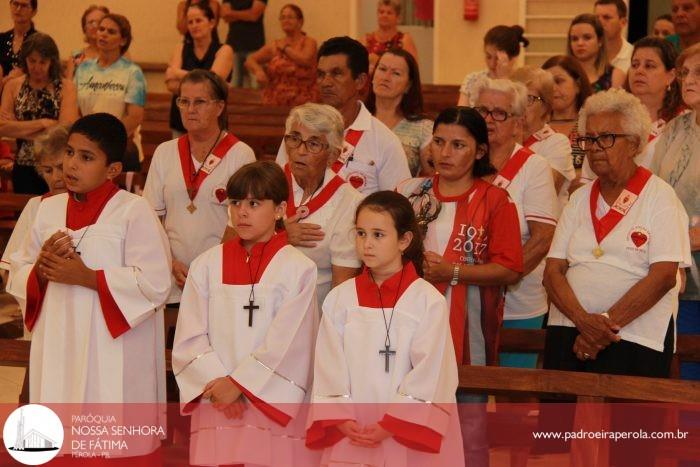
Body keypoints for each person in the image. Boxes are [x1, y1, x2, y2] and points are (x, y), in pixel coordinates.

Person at [7, 113, 171, 461]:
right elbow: (18, 271)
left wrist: (87, 277)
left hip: (111, 345)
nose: (71, 165)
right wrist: (40, 271)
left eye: (86, 157)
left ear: (112, 169)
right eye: (69, 153)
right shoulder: (46, 210)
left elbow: (155, 284)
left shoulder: (133, 212)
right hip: (59, 339)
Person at [542, 88, 690, 467]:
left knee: (630, 451)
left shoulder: (661, 197)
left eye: (606, 138)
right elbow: (553, 270)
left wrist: (601, 328)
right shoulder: (578, 199)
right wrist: (583, 324)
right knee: (561, 447)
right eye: (589, 138)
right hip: (570, 333)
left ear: (636, 142)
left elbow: (662, 276)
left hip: (634, 338)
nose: (594, 147)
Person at [396, 107, 523, 465]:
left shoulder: (496, 200)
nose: (445, 153)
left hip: (468, 335)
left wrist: (454, 272)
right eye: (438, 142)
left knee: (470, 434)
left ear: (480, 151)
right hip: (407, 329)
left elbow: (511, 268)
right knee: (408, 427)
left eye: (458, 145)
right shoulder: (408, 193)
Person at [173, 161, 319, 467]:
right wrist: (219, 385)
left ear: (280, 210)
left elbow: (291, 344)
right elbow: (190, 335)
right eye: (236, 202)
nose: (242, 212)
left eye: (254, 203)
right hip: (217, 400)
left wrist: (239, 386)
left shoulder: (298, 269)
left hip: (267, 406)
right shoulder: (207, 264)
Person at [307, 190, 464, 467]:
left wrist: (392, 424)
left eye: (378, 235)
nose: (367, 244)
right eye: (361, 233)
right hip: (352, 428)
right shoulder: (340, 298)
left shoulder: (427, 301)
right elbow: (328, 366)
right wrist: (341, 418)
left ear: (404, 240)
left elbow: (433, 372)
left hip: (404, 433)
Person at [144, 70, 255, 305]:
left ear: (219, 107)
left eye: (199, 102)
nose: (190, 109)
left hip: (220, 276)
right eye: (184, 101)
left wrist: (210, 267)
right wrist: (170, 262)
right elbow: (151, 217)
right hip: (172, 275)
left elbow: (241, 219)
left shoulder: (240, 154)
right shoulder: (165, 152)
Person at [473, 77, 559, 369]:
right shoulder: (464, 161)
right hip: (466, 301)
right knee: (467, 389)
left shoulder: (534, 167)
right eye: (482, 111)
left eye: (500, 113)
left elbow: (543, 238)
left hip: (517, 304)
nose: (488, 120)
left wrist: (499, 276)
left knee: (514, 397)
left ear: (518, 122)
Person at [276, 36, 410, 194]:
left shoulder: (384, 141)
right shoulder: (299, 130)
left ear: (360, 81)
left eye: (336, 74)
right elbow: (278, 188)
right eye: (320, 74)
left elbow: (400, 206)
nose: (325, 82)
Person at [650, 43, 700, 380]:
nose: (689, 80)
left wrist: (682, 241)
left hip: (684, 252)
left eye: (699, 73)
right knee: (683, 369)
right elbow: (654, 193)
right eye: (684, 73)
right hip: (680, 275)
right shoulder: (675, 128)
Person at [280, 103, 362, 306]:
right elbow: (229, 251)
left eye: (314, 144)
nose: (300, 150)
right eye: (295, 139)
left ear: (333, 155)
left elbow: (342, 288)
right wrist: (281, 237)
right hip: (254, 308)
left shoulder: (350, 203)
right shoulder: (262, 184)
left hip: (313, 317)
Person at [581, 37, 684, 183]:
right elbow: (588, 179)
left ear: (671, 76)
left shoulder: (683, 124)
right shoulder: (610, 117)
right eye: (635, 65)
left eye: (649, 66)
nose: (639, 71)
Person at [0, 33, 78, 195]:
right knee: (26, 215)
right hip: (23, 164)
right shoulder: (13, 86)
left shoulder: (66, 87)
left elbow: (65, 130)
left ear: (52, 62)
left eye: (43, 62)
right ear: (25, 60)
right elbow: (2, 127)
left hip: (58, 165)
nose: (36, 67)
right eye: (32, 61)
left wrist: (18, 128)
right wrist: (43, 124)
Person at [1, 125, 68, 301]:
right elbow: (9, 272)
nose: (56, 177)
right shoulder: (36, 206)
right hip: (41, 301)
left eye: (61, 167)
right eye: (48, 170)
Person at [74, 13, 146, 167]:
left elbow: (135, 117)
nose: (104, 34)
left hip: (119, 148)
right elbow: (75, 110)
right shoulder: (83, 68)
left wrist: (104, 140)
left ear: (123, 40)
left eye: (111, 32)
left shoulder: (132, 72)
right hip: (86, 148)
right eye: (101, 29)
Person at [511, 67, 576, 209]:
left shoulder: (557, 143)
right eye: (516, 98)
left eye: (528, 98)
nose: (520, 106)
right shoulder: (500, 141)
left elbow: (543, 194)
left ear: (546, 106)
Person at [165, 2, 233, 137]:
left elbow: (212, 84)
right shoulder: (181, 48)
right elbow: (171, 84)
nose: (194, 25)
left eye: (198, 20)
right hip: (181, 121)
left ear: (211, 22)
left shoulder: (224, 50)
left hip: (212, 123)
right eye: (190, 22)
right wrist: (205, 79)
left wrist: (178, 73)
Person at [367, 48, 433, 176]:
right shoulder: (356, 118)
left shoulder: (423, 128)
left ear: (408, 85)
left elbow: (431, 177)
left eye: (396, 73)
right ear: (373, 76)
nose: (386, 78)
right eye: (382, 69)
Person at [244, 3, 318, 106]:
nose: (285, 20)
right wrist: (258, 71)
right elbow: (250, 60)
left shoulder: (309, 42)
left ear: (300, 21)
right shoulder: (275, 45)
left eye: (290, 17)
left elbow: (305, 60)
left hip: (304, 102)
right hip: (275, 101)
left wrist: (285, 48)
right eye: (282, 17)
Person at [542, 55, 593, 170]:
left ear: (578, 85)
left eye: (559, 81)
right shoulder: (537, 125)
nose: (553, 88)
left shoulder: (590, 125)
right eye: (548, 83)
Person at [458, 25, 529, 106]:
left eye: (497, 59)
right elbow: (461, 115)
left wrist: (503, 78)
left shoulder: (523, 83)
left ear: (513, 58)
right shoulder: (473, 79)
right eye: (488, 57)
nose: (492, 64)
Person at [567, 14, 625, 93]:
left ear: (600, 41)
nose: (580, 43)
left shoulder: (616, 76)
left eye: (587, 37)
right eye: (574, 39)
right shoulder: (563, 74)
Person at [361, 0, 418, 75]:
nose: (384, 15)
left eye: (389, 13)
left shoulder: (404, 40)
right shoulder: (366, 39)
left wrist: (377, 61)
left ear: (397, 17)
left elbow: (413, 70)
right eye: (381, 12)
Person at [221, 0, 267, 88]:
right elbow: (225, 15)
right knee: (233, 87)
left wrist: (232, 13)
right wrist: (246, 14)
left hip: (255, 47)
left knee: (256, 87)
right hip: (233, 46)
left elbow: (254, 15)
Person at [0, 0, 37, 92]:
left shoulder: (38, 41)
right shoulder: (1, 39)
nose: (18, 9)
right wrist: (6, 80)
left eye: (24, 5)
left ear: (33, 11)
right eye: (15, 4)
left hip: (28, 94)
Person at [64, 5, 109, 79]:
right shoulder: (75, 56)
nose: (95, 26)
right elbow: (69, 86)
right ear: (85, 29)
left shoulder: (117, 54)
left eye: (100, 22)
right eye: (91, 22)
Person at [594, 0, 632, 73]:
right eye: (597, 18)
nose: (599, 22)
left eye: (606, 17)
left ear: (623, 22)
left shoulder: (632, 56)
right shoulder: (588, 53)